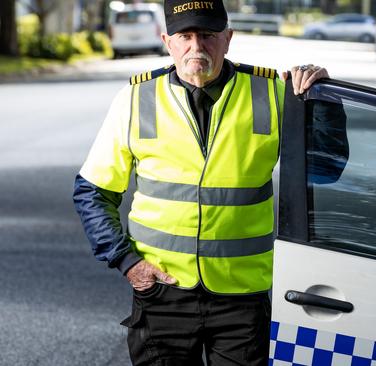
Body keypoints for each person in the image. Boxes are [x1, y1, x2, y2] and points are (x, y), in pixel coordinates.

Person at [72, 0, 344, 364]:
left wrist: (322, 102)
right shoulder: (136, 100)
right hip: (161, 293)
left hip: (242, 299)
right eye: (185, 36)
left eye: (207, 35)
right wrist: (126, 262)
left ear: (228, 38)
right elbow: (92, 192)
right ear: (167, 41)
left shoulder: (271, 94)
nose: (196, 46)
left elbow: (326, 170)